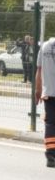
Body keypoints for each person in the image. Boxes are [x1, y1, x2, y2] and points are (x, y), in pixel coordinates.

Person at [36, 37, 55, 167]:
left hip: (49, 93)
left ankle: (51, 156)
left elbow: (39, 70)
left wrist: (38, 90)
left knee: (50, 124)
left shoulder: (45, 47)